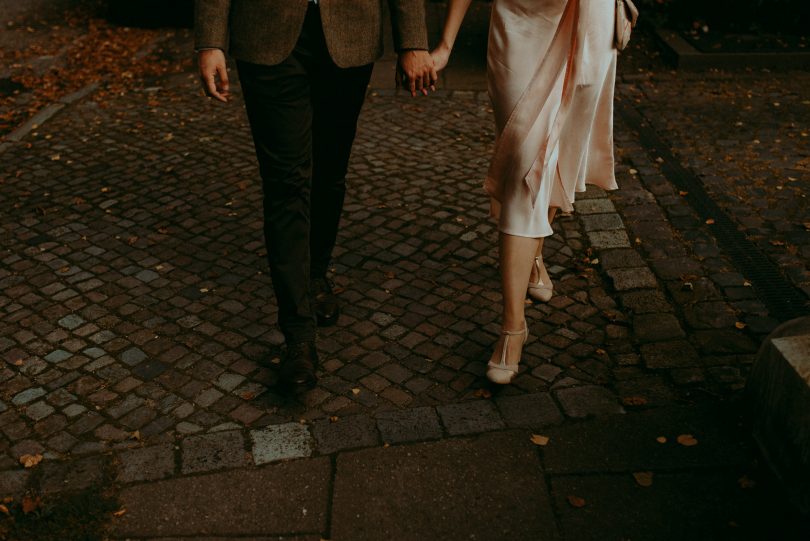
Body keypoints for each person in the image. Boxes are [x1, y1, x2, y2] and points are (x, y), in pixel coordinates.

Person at [195, 0, 436, 390]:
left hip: (350, 34)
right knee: (285, 183)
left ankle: (316, 274)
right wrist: (210, 40)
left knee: (329, 174)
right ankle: (298, 336)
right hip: (266, 35)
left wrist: (413, 40)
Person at [431, 0, 619, 384]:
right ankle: (513, 326)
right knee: (522, 160)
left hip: (588, 26)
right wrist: (446, 44)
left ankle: (532, 259)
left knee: (555, 156)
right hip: (520, 25)